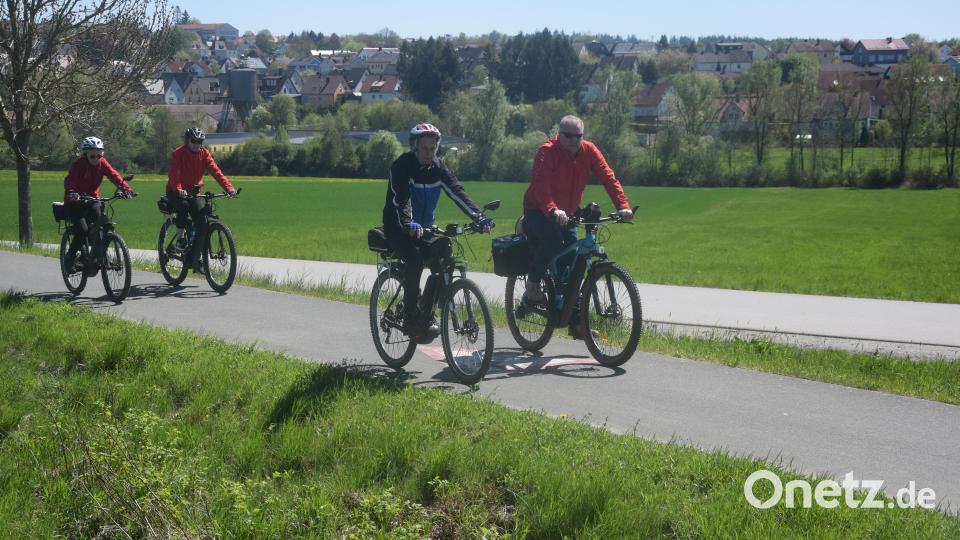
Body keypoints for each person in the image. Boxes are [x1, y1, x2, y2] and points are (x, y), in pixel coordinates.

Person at [522, 115, 633, 339]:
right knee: (553, 241)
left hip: (568, 213)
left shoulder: (589, 151)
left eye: (578, 136)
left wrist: (622, 205)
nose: (573, 140)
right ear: (559, 134)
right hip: (539, 211)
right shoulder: (547, 152)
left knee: (575, 264)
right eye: (568, 135)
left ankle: (576, 322)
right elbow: (541, 185)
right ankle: (532, 285)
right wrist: (552, 210)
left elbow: (608, 177)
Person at [382, 123, 494, 341]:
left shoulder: (438, 168)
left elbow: (457, 192)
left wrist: (479, 217)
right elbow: (402, 198)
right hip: (398, 228)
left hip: (425, 228)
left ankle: (429, 312)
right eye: (424, 148)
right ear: (415, 146)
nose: (428, 153)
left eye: (433, 149)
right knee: (415, 261)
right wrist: (408, 223)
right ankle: (410, 316)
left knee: (445, 254)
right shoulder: (402, 166)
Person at [166, 127, 237, 271]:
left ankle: (196, 259)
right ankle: (181, 239)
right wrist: (179, 189)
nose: (196, 144)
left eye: (199, 141)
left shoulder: (204, 154)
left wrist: (228, 188)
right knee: (184, 206)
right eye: (193, 141)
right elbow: (174, 174)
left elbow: (216, 172)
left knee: (202, 221)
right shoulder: (178, 154)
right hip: (175, 191)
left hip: (193, 192)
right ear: (187, 140)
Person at [63, 136, 134, 271]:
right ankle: (70, 258)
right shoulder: (78, 164)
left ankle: (100, 256)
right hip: (75, 203)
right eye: (92, 156)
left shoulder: (102, 163)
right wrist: (71, 192)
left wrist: (126, 189)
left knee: (103, 224)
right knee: (83, 230)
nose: (96, 159)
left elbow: (114, 175)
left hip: (92, 200)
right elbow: (70, 180)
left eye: (99, 155)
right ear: (85, 154)